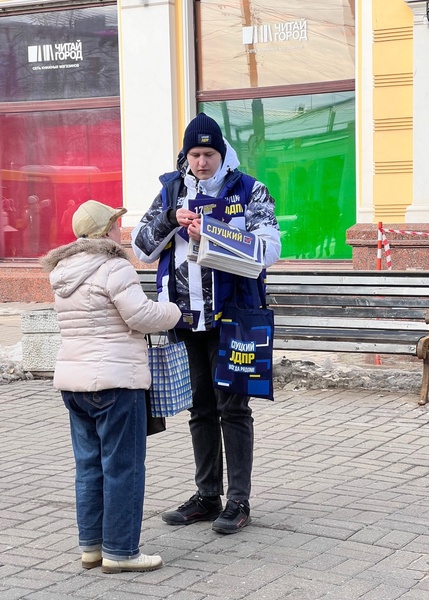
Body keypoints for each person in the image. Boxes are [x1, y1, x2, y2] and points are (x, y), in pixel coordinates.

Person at [132, 113, 281, 534]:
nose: (201, 162)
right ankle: (207, 495)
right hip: (184, 317)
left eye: (209, 154)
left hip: (235, 316)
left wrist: (210, 235)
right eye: (195, 154)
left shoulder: (250, 190)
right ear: (186, 155)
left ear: (222, 153)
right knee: (200, 407)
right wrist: (170, 220)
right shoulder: (171, 190)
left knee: (233, 407)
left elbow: (268, 250)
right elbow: (142, 248)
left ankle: (239, 501)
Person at [40, 200, 181, 573]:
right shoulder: (114, 266)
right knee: (123, 468)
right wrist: (174, 311)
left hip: (74, 383)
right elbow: (141, 315)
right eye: (117, 223)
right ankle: (121, 552)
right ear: (106, 231)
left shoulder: (63, 271)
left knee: (88, 467)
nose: (121, 229)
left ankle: (92, 547)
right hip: (116, 383)